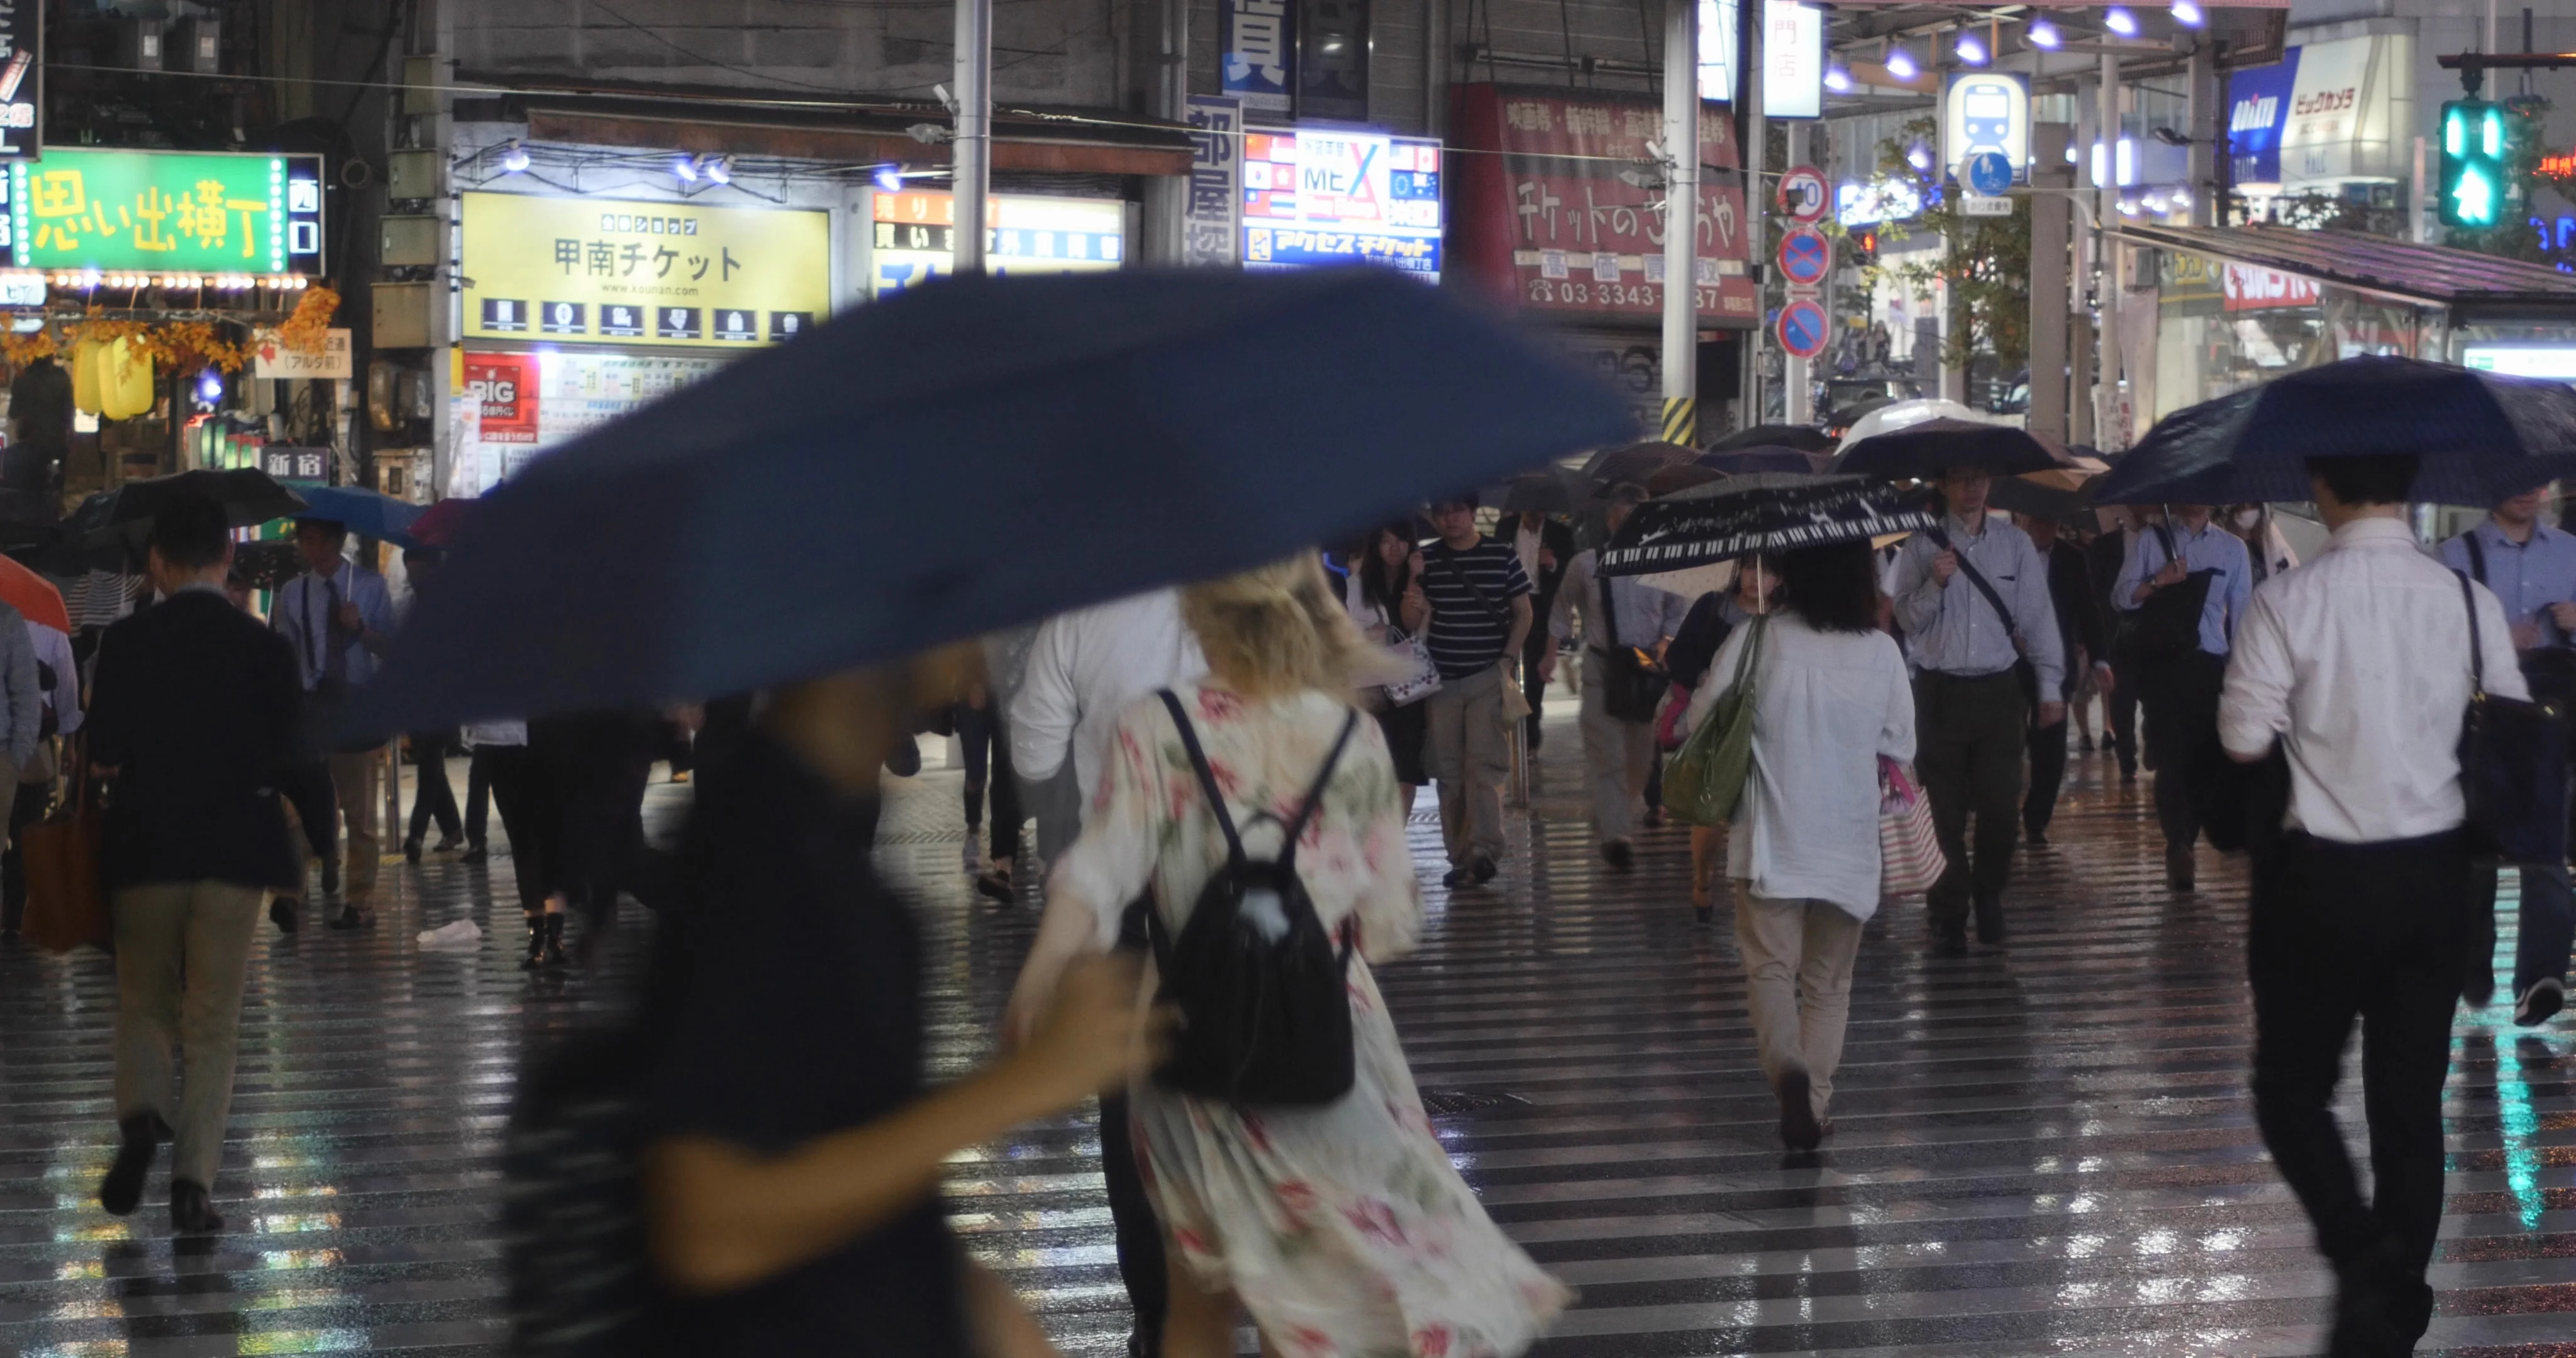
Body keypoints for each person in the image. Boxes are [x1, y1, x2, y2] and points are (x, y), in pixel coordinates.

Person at [1004, 558, 1569, 1358]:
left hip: (1187, 1032)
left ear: (1208, 622)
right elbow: (1388, 921)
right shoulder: (1350, 735)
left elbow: (1099, 876)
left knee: (1194, 1299)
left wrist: (1039, 976)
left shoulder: (1158, 727)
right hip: (1325, 1037)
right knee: (1305, 1302)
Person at [638, 653, 1168, 1356]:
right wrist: (1028, 1083)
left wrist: (993, 1319)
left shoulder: (815, 827)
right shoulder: (759, 848)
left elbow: (852, 1152)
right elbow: (708, 1223)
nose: (978, 643)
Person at [2219, 452, 2521, 1358]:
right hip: (2435, 881)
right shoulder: (2468, 602)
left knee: (2289, 1090)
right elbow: (2507, 719)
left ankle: (2361, 1256)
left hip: (2322, 881)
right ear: (2413, 485)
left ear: (2322, 486)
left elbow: (2240, 738)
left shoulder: (2288, 599)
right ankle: (2394, 1312)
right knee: (2407, 1107)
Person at [87, 492, 305, 1235]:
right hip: (234, 852)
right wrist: (316, 854)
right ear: (227, 559)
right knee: (213, 1022)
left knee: (144, 1003)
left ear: (157, 561)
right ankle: (193, 1188)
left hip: (147, 849)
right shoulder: (263, 647)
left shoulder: (127, 643)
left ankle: (143, 1115)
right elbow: (293, 752)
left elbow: (105, 751)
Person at [1006, 586, 1204, 1358]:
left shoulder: (1076, 614)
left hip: (1113, 887)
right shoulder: (1240, 602)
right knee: (1227, 1087)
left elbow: (1033, 753)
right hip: (1230, 898)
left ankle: (1156, 1312)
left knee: (1127, 1103)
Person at [1684, 540, 1913, 1149]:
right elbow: (1900, 744)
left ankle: (1786, 1067)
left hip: (1769, 842)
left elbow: (1696, 723)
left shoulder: (1756, 641)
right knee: (1828, 985)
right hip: (1848, 843)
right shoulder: (1881, 652)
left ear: (1790, 573)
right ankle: (1812, 1101)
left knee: (1768, 969)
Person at [1886, 467, 2065, 955]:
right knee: (1942, 813)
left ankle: (1988, 890)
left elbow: (2037, 617)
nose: (1973, 488)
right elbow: (1905, 618)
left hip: (1998, 692)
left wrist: (2050, 686)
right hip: (1939, 692)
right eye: (1962, 480)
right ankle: (1948, 912)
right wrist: (1934, 585)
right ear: (1944, 485)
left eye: (1981, 479)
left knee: (2001, 806)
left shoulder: (2015, 545)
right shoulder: (1920, 547)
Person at [2439, 482, 2576, 1025]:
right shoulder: (2455, 558)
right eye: (2513, 480)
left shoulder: (2570, 551)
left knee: (2548, 848)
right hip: (2481, 722)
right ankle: (2472, 960)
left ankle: (2541, 978)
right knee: (2478, 848)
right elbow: (2434, 640)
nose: (2528, 492)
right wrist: (2491, 637)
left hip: (2552, 722)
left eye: (2538, 482)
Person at [2113, 502, 2252, 891]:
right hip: (2161, 667)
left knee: (2201, 756)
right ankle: (2179, 842)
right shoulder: (2150, 540)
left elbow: (2241, 614)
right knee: (2173, 758)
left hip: (2208, 666)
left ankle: (2187, 834)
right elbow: (2121, 597)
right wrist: (2158, 582)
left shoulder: (2232, 549)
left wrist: (2241, 675)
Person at [1552, 485, 1686, 870]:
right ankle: (1617, 836)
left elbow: (1677, 613)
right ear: (1611, 517)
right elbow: (1563, 607)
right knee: (1607, 755)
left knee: (1639, 760)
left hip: (1645, 669)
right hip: (1601, 666)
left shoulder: (1665, 564)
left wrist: (1665, 645)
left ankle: (1612, 813)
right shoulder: (1587, 564)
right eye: (1623, 515)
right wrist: (1548, 654)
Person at [271, 516, 397, 926]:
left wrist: (359, 627)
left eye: (319, 541)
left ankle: (360, 902)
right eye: (305, 542)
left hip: (354, 706)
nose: (312, 550)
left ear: (338, 541)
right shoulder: (293, 592)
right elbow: (283, 651)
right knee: (297, 807)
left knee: (359, 813)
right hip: (309, 707)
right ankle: (290, 894)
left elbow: (391, 648)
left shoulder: (369, 586)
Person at [1412, 492, 1534, 890]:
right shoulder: (1426, 560)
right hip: (1441, 680)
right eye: (1443, 511)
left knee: (1484, 766)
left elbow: (1523, 611)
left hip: (1486, 674)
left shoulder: (1500, 554)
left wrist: (1507, 658)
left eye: (1458, 510)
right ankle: (1460, 855)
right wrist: (1412, 578)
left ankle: (1484, 850)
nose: (1451, 519)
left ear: (1472, 512)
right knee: (1448, 772)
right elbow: (1412, 616)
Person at [2015, 511, 2112, 847]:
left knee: (2052, 749)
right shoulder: (2010, 552)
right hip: (2011, 662)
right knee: (2009, 744)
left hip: (2056, 663)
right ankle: (2003, 813)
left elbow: (2089, 609)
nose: (2047, 526)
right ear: (2025, 519)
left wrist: (2100, 659)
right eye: (2041, 519)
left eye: (2053, 520)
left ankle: (2037, 819)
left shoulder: (2073, 559)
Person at [1345, 521, 1431, 815]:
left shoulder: (1421, 577)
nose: (1394, 548)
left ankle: (1397, 838)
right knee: (1376, 766)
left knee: (1406, 770)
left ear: (1412, 543)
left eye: (1401, 540)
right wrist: (1373, 634)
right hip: (1374, 684)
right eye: (1386, 541)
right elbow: (1350, 631)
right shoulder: (1359, 582)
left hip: (1410, 685)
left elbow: (1414, 625)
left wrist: (1417, 582)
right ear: (1376, 546)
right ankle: (1378, 837)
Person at [1, 616, 78, 938]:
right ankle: (15, 916)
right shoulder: (47, 631)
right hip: (29, 748)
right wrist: (70, 743)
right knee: (25, 836)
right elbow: (65, 687)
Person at [398, 546, 464, 864]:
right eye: (411, 571)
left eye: (421, 571)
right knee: (432, 767)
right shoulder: (405, 607)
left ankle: (416, 835)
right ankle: (453, 829)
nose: (415, 578)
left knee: (429, 770)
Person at [1507, 504, 1574, 749]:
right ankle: (1511, 728)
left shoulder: (1559, 533)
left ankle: (1531, 736)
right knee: (1508, 665)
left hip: (1540, 604)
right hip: (1512, 602)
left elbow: (1570, 572)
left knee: (1536, 674)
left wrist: (1553, 563)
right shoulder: (1507, 528)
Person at [2089, 506, 2143, 781]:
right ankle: (2127, 757)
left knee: (2156, 699)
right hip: (2116, 634)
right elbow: (2094, 595)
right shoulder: (2105, 546)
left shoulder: (2161, 542)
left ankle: (2152, 747)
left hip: (2153, 636)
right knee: (2122, 700)